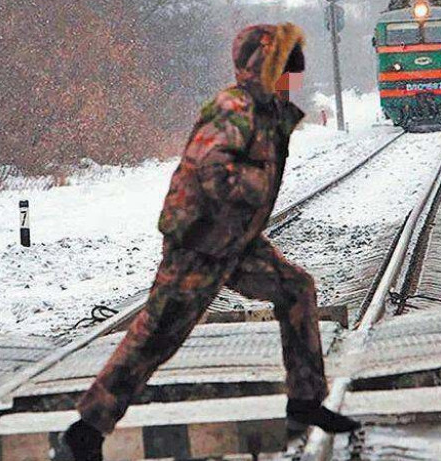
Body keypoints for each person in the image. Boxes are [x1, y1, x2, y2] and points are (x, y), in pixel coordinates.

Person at [63, 23, 361, 460]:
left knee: (296, 289)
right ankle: (86, 432)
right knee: (156, 335)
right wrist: (255, 186)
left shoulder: (266, 111)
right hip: (199, 243)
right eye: (286, 67)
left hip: (236, 241)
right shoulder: (232, 108)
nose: (294, 77)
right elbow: (211, 168)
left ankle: (305, 400)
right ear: (266, 68)